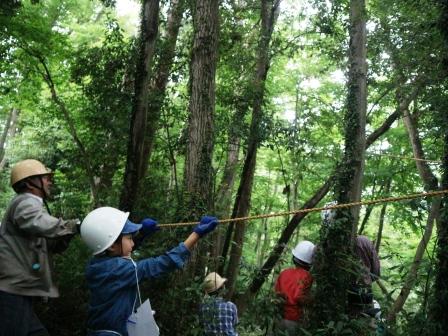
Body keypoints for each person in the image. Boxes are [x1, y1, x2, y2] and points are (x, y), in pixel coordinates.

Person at [80, 206, 219, 336]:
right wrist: (197, 234)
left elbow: (119, 251)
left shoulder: (97, 264)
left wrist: (141, 234)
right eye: (129, 238)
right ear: (111, 246)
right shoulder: (122, 269)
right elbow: (163, 263)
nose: (133, 243)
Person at [0, 159, 80, 336]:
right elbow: (38, 223)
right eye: (45, 178)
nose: (49, 181)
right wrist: (71, 226)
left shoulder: (33, 205)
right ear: (29, 183)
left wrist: (65, 236)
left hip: (18, 288)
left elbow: (45, 242)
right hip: (13, 289)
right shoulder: (25, 202)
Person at [321, 202, 381, 316]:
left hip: (333, 303)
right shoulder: (364, 242)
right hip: (362, 298)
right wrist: (365, 279)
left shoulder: (322, 247)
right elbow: (376, 273)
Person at [274, 240, 315, 336]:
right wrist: (313, 301)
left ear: (294, 258)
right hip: (294, 320)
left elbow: (276, 295)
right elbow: (299, 297)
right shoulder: (307, 276)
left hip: (279, 317)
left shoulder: (284, 273)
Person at [199, 272, 238, 336]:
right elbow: (234, 324)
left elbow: (201, 325)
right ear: (222, 288)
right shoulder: (231, 306)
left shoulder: (202, 306)